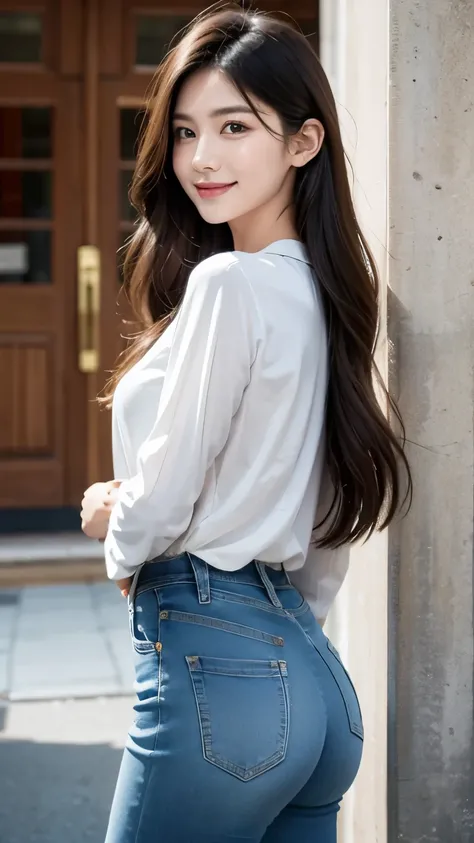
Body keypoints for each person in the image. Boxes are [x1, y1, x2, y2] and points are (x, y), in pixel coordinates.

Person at [80, 6, 411, 842]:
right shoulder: (330, 304)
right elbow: (329, 524)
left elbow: (165, 494)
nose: (202, 158)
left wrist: (117, 530)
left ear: (304, 142)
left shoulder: (231, 285)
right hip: (312, 679)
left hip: (216, 662)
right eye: (186, 132)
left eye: (235, 126)